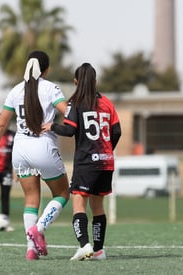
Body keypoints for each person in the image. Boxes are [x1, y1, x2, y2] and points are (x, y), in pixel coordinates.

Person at [0, 50, 70, 261]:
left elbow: (1, 123)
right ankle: (39, 228)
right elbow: (68, 111)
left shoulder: (15, 91)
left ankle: (31, 249)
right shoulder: (51, 88)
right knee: (62, 194)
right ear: (47, 69)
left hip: (20, 149)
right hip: (43, 145)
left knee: (31, 199)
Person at [43, 63, 122, 260]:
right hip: (106, 163)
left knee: (79, 204)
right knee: (98, 207)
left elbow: (69, 130)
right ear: (95, 81)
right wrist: (106, 150)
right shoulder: (107, 103)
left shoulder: (75, 102)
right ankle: (99, 250)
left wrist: (52, 126)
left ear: (76, 82)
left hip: (86, 162)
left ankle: (84, 245)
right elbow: (117, 131)